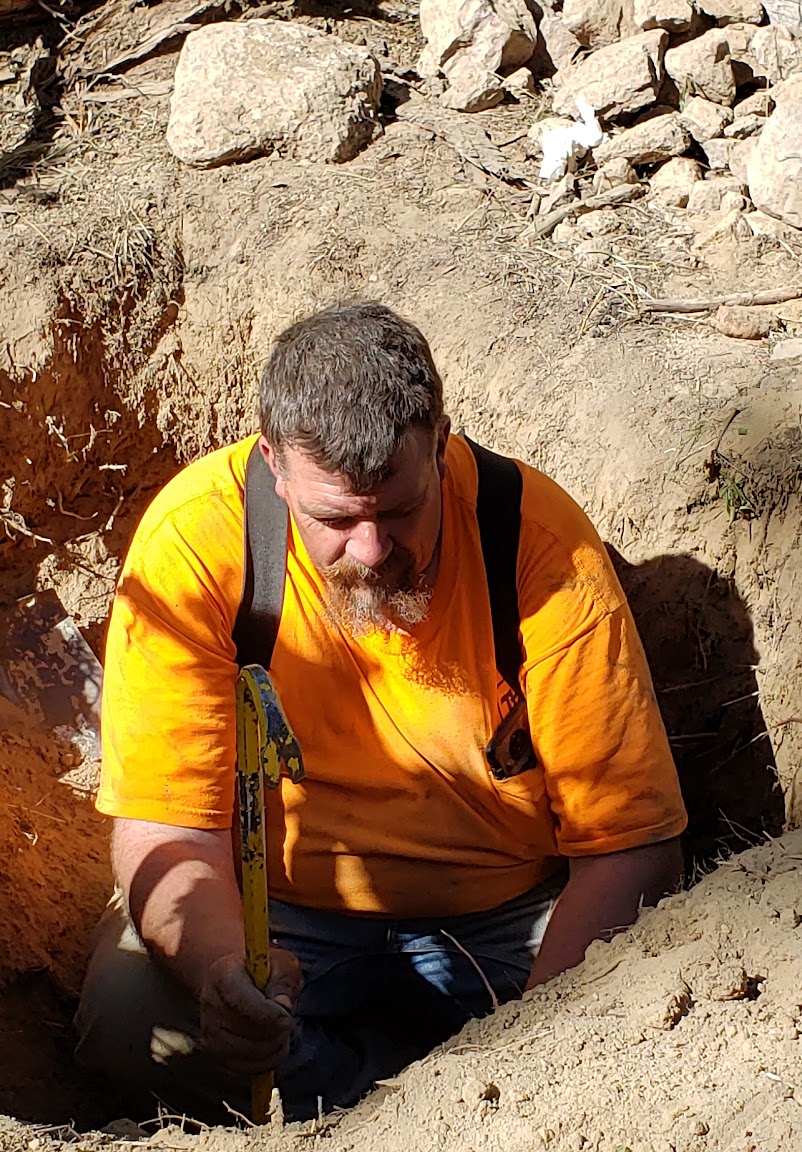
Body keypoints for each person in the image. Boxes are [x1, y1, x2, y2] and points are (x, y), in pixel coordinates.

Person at [74, 301, 686, 1120]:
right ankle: (385, 1099)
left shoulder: (536, 542)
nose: (369, 551)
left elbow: (631, 849)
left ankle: (393, 1097)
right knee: (127, 1026)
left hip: (505, 919)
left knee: (637, 1015)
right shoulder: (197, 541)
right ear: (275, 465)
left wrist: (536, 1057)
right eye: (334, 519)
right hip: (282, 915)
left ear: (440, 444)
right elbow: (167, 830)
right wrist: (227, 971)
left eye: (399, 511)